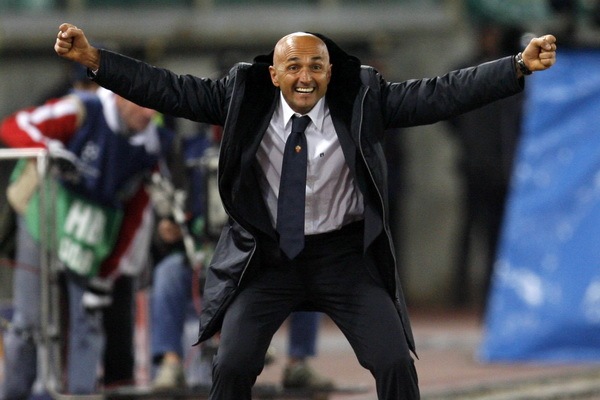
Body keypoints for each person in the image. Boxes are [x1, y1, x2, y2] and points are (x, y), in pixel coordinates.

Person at [54, 24, 557, 399]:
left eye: (316, 66)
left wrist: (515, 66)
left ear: (330, 72)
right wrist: (95, 60)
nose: (305, 77)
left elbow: (441, 94)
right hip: (267, 259)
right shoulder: (242, 95)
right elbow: (167, 88)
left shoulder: (363, 97)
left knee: (394, 364)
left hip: (344, 258)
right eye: (293, 66)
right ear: (273, 74)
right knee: (231, 365)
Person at [0, 77, 173, 397]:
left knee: (87, 322)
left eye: (155, 107)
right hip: (43, 218)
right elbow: (15, 125)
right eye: (142, 104)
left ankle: (79, 394)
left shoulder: (152, 146)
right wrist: (48, 151)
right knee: (29, 322)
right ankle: (12, 394)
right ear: (119, 97)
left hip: (87, 235)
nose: (149, 113)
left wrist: (107, 274)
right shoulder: (81, 108)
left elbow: (134, 217)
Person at [446, 24, 526, 310]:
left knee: (496, 233)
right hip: (475, 165)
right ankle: (458, 292)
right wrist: (469, 142)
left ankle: (491, 291)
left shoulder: (511, 72)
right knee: (469, 230)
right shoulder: (466, 70)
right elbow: (446, 112)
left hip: (501, 168)